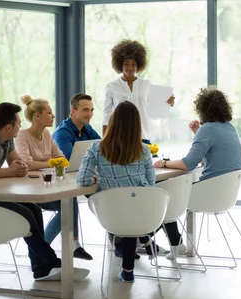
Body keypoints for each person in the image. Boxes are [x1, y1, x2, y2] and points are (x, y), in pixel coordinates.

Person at [0, 102, 89, 281]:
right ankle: (52, 262)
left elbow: (17, 162)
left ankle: (40, 268)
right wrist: (11, 171)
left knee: (34, 209)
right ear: (8, 127)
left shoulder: (6, 139)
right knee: (26, 214)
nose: (20, 126)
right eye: (18, 124)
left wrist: (20, 166)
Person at [77, 101, 181, 283]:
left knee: (125, 208)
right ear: (137, 125)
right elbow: (150, 184)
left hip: (111, 216)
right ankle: (134, 260)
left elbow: (83, 181)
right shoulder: (144, 151)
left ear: (112, 122)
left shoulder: (96, 148)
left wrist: (97, 178)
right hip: (142, 216)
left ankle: (129, 269)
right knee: (133, 205)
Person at [15, 95, 93, 261]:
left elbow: (61, 156)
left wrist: (53, 161)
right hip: (31, 191)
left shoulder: (46, 133)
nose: (53, 116)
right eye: (49, 113)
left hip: (47, 186)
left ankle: (44, 250)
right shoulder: (22, 136)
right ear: (37, 116)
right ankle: (44, 251)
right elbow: (26, 163)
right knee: (69, 203)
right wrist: (51, 162)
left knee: (70, 202)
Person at [154, 87, 241, 184]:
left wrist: (164, 163)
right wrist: (197, 133)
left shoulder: (207, 129)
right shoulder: (230, 128)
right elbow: (204, 161)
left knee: (167, 188)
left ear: (202, 110)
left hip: (210, 190)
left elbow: (188, 164)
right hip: (226, 192)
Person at [102, 40, 175, 146]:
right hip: (120, 137)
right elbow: (106, 116)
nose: (130, 68)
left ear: (139, 65)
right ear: (119, 64)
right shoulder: (111, 87)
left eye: (134, 64)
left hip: (143, 135)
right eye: (126, 64)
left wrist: (168, 102)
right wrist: (105, 142)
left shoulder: (146, 85)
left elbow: (154, 110)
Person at [53, 93, 101, 160]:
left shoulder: (88, 128)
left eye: (91, 110)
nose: (90, 114)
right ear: (73, 111)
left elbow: (103, 148)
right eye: (85, 110)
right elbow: (70, 160)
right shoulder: (62, 133)